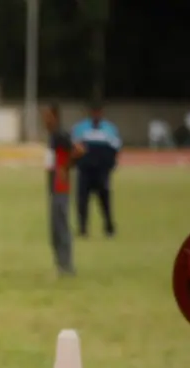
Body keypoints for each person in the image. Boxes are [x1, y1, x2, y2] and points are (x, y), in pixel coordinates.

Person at [43, 105, 84, 277]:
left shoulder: (61, 135)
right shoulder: (53, 137)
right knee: (54, 229)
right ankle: (60, 265)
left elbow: (79, 150)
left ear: (55, 117)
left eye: (48, 116)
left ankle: (67, 266)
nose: (45, 120)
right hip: (54, 189)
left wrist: (66, 168)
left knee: (61, 227)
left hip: (61, 188)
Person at [70, 103, 121, 238]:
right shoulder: (80, 128)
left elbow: (116, 150)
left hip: (102, 172)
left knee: (105, 200)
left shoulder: (110, 129)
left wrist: (111, 165)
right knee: (82, 201)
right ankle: (82, 228)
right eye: (94, 112)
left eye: (98, 112)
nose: (96, 115)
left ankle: (109, 227)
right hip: (85, 172)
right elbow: (74, 149)